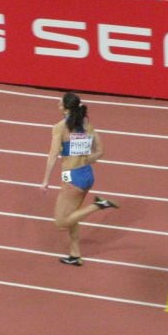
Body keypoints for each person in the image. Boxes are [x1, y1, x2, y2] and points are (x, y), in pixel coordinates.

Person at [40, 92, 119, 266]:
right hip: (87, 174)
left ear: (65, 107)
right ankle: (75, 255)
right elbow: (100, 152)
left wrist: (45, 180)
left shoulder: (59, 127)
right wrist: (83, 159)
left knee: (61, 222)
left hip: (72, 177)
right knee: (72, 216)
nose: (57, 101)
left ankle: (97, 205)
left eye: (60, 100)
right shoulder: (85, 123)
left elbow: (53, 155)